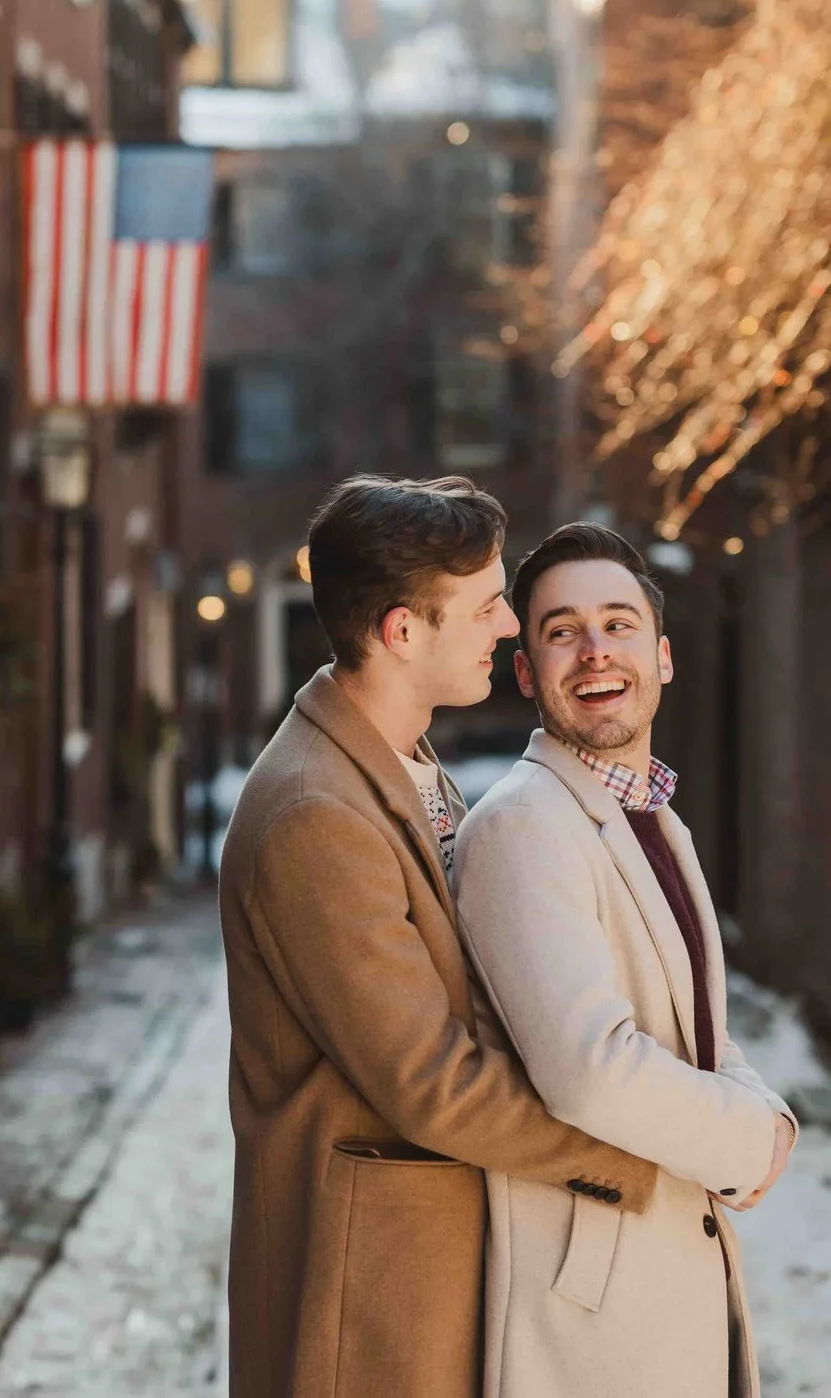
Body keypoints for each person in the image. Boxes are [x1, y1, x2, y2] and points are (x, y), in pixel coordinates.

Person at [219, 477, 659, 1398]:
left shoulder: (402, 764)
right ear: (402, 632)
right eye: (490, 604)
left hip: (435, 1273)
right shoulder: (314, 814)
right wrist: (627, 1148)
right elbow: (431, 1081)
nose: (509, 626)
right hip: (370, 1299)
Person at [452, 523, 796, 1398]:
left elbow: (690, 1029)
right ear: (525, 671)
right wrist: (752, 1139)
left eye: (619, 623)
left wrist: (763, 1105)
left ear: (663, 655)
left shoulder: (654, 817)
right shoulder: (523, 824)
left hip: (673, 1275)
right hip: (594, 1318)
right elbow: (591, 1069)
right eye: (561, 631)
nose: (595, 651)